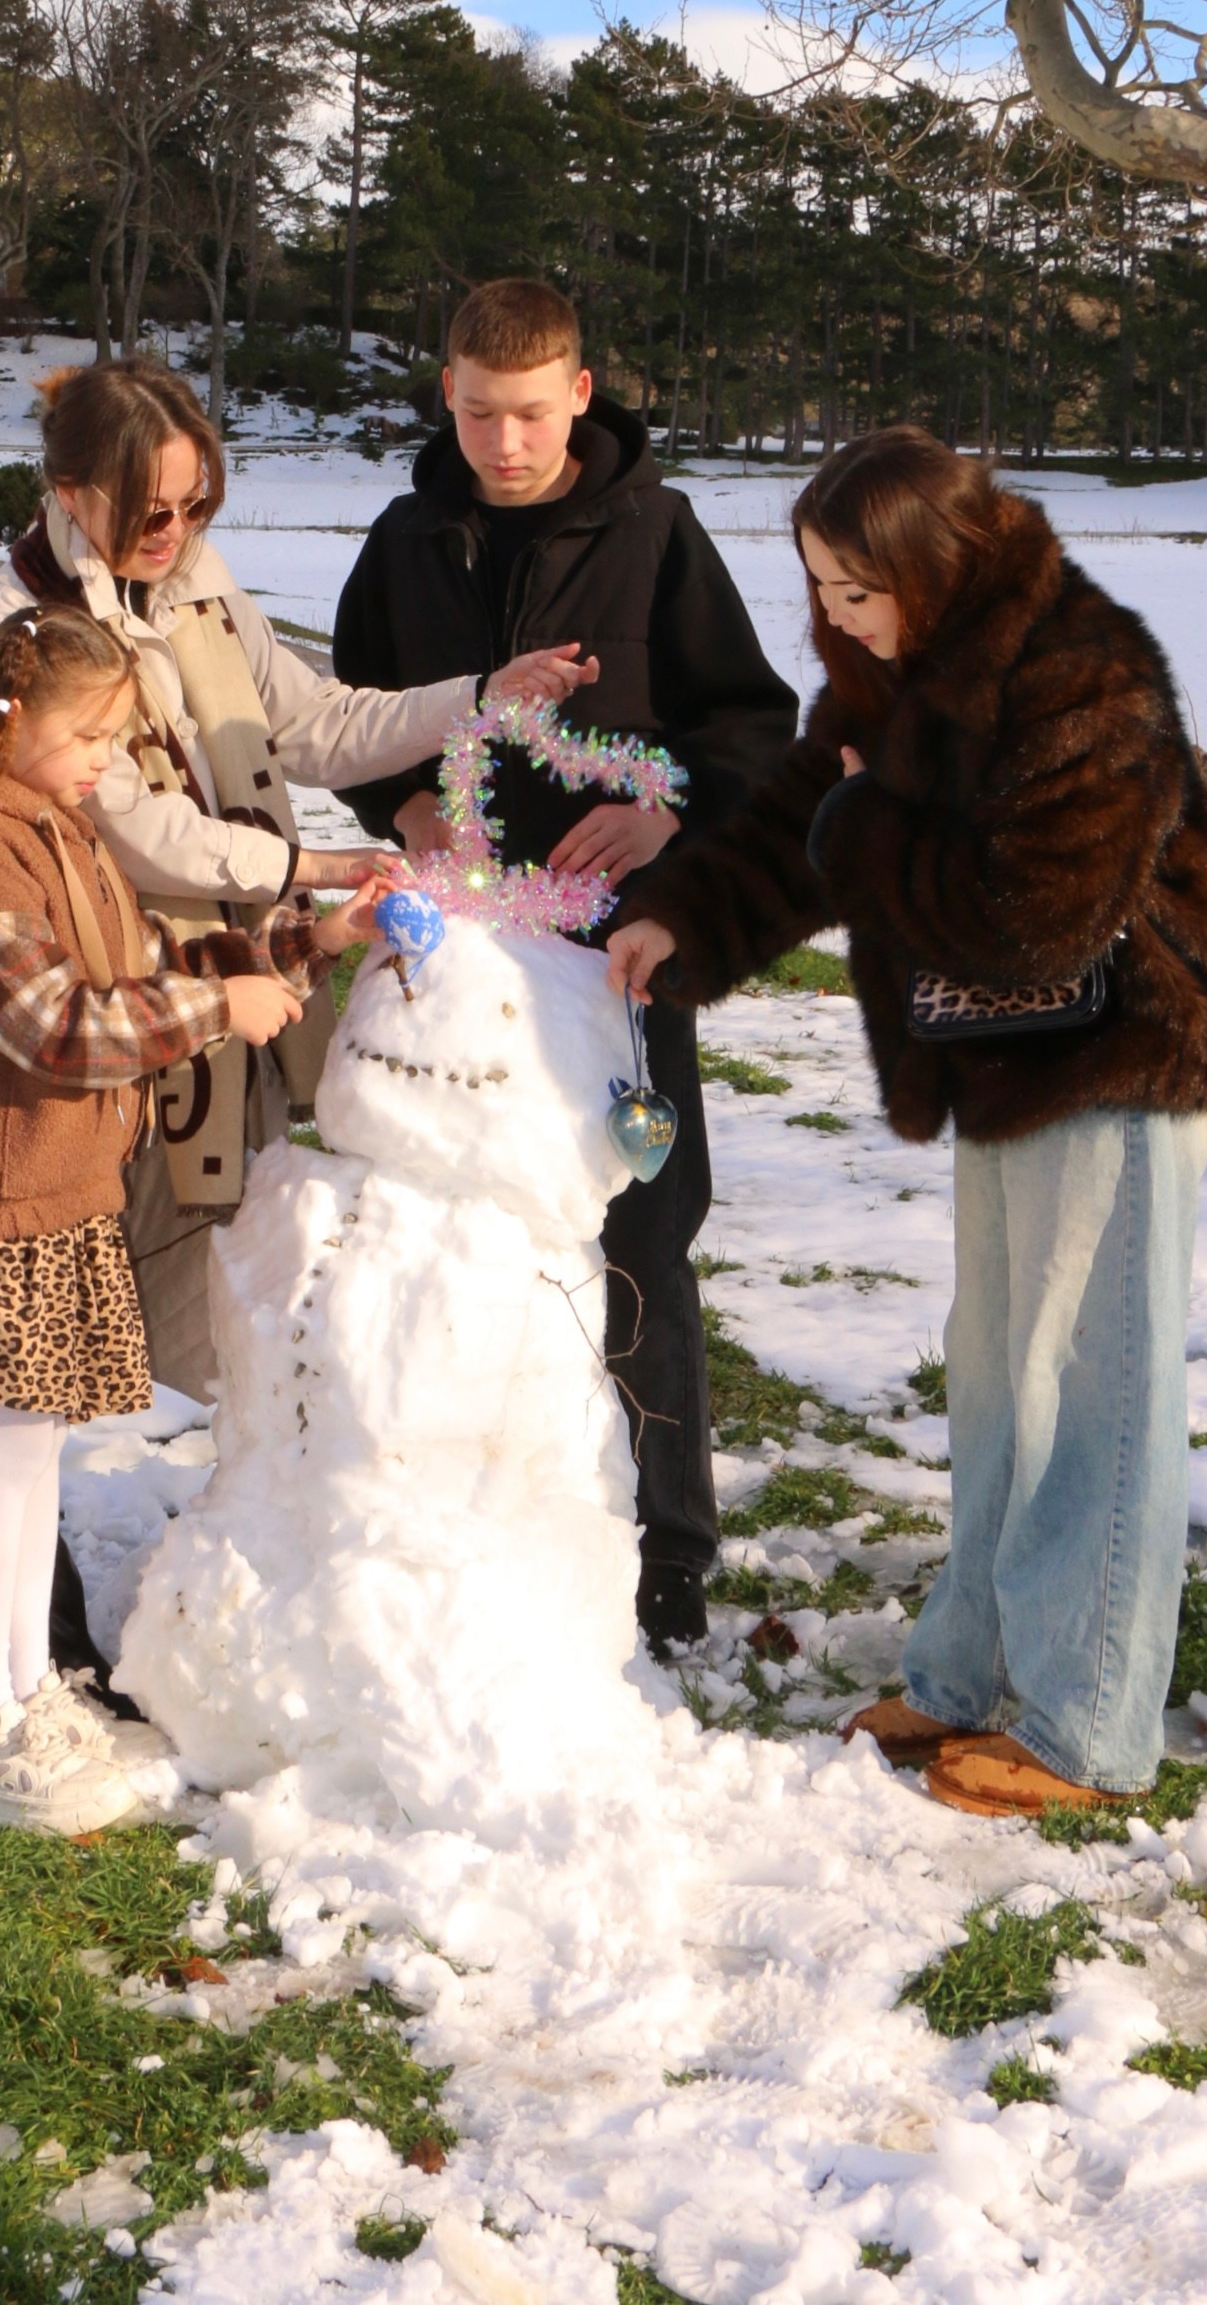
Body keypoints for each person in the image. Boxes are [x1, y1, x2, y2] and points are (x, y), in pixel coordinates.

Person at [0, 357, 589, 1676]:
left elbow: (316, 721)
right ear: (72, 491)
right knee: (11, 1301)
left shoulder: (192, 587)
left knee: (91, 1283)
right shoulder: (16, 641)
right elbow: (133, 828)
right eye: (151, 510)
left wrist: (479, 699)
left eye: (196, 504)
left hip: (189, 996)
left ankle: (30, 1607)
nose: (176, 530)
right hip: (62, 1022)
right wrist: (307, 870)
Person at [606, 425, 1207, 1816]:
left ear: (934, 566)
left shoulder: (1084, 674)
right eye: (817, 585)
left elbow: (1038, 915)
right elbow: (800, 819)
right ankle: (969, 1672)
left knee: (1096, 1386)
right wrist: (682, 918)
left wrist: (861, 828)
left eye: (854, 589)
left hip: (1122, 1054)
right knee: (996, 1373)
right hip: (1006, 1059)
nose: (831, 614)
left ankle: (1085, 1726)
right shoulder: (898, 665)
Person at [333, 279, 799, 1658]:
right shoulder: (407, 537)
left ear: (580, 393)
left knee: (640, 1224)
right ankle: (476, 1509)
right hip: (457, 948)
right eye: (478, 412)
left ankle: (667, 1543)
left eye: (529, 413)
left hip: (618, 948)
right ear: (446, 393)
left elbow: (751, 724)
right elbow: (350, 715)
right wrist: (398, 807)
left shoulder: (654, 532)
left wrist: (667, 814)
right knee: (458, 1212)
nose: (502, 441)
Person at [0, 599, 391, 1832]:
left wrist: (311, 941)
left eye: (115, 738)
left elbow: (141, 970)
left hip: (59, 1186)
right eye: (87, 737)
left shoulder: (57, 826)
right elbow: (59, 1026)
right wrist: (220, 1016)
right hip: (0, 1193)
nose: (105, 761)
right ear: (9, 722)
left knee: (30, 1457)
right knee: (0, 1460)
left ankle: (26, 1693)